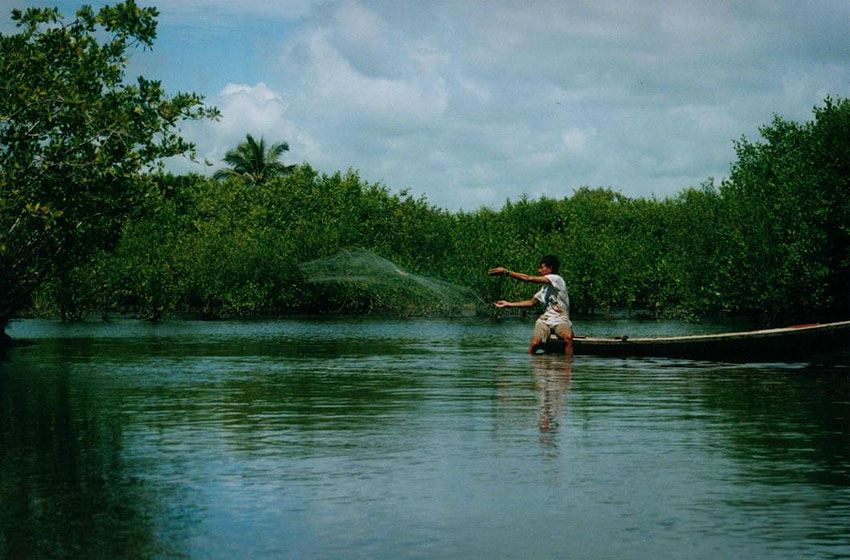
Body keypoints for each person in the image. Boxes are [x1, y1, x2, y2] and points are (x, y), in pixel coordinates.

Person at [488, 255, 573, 355]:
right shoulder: (544, 289)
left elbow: (528, 278)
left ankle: (567, 366)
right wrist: (508, 304)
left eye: (542, 267)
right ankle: (534, 367)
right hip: (544, 320)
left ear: (550, 268)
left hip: (560, 320)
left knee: (568, 337)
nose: (539, 270)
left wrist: (506, 272)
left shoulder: (557, 279)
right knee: (534, 344)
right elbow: (530, 303)